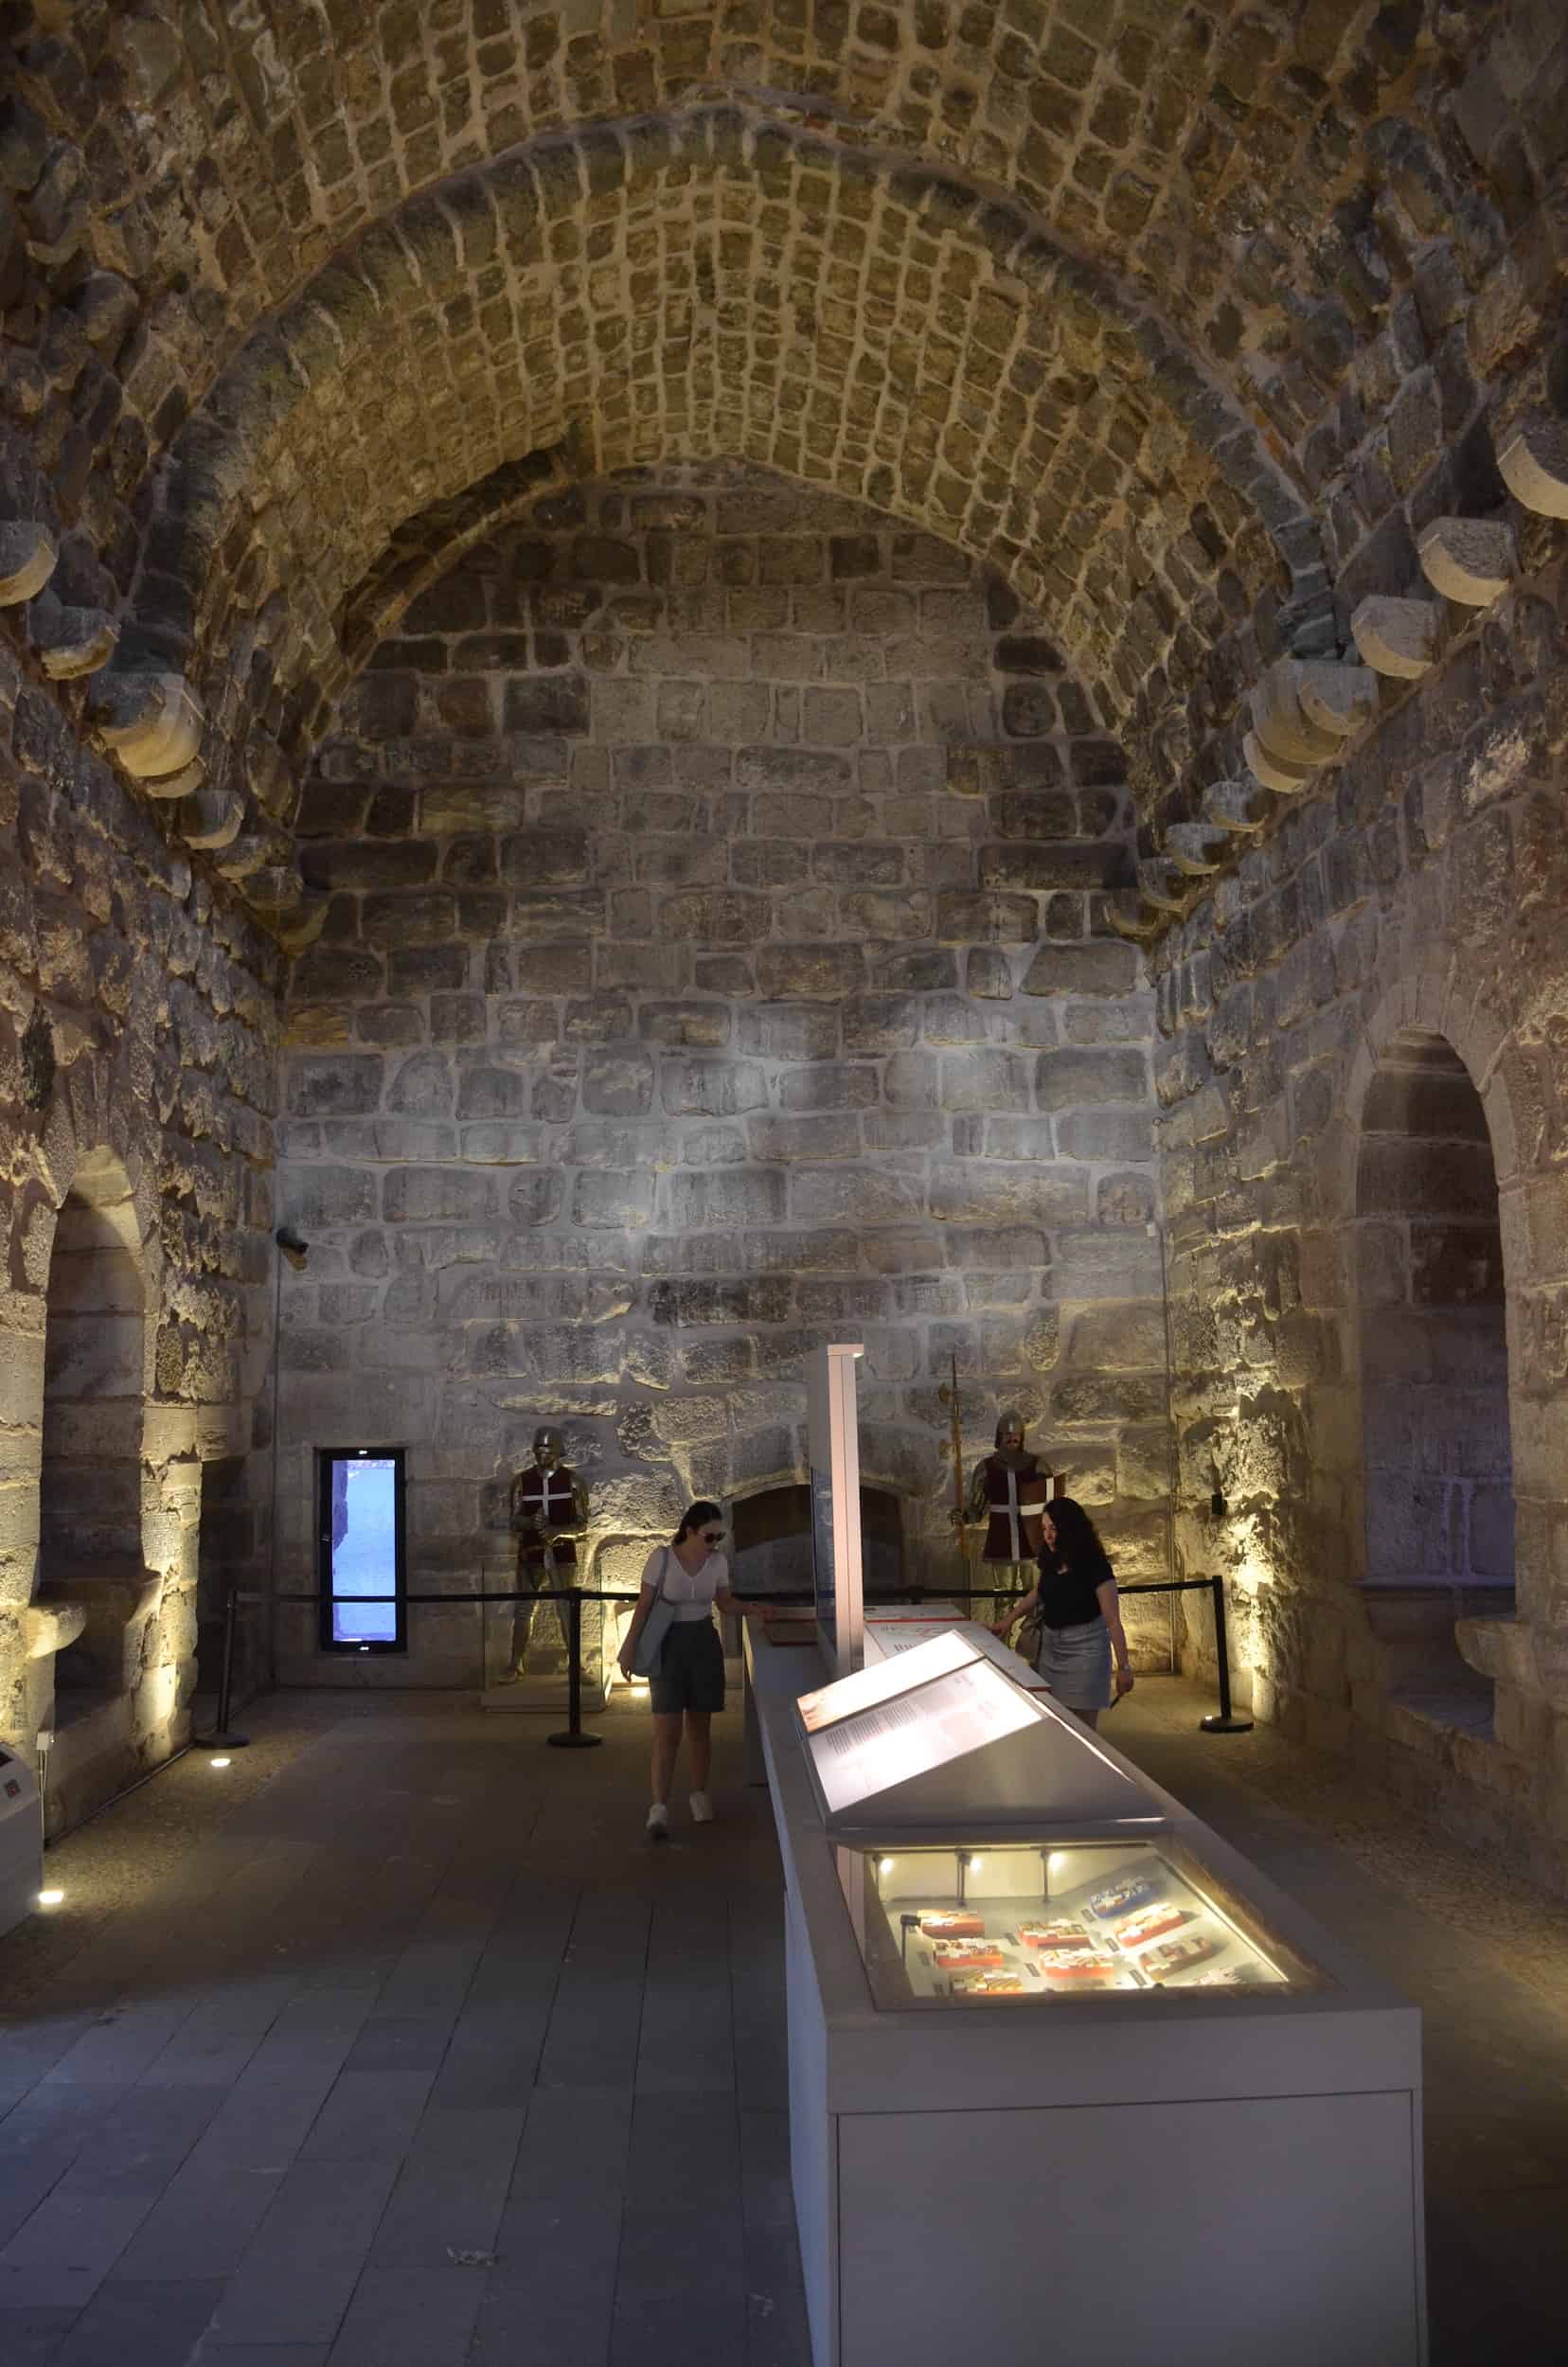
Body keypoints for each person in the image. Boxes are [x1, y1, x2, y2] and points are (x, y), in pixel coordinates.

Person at [618, 1500, 741, 1840]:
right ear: (690, 1531)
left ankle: (699, 1794)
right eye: (708, 1537)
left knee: (700, 1726)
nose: (714, 1544)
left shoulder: (717, 1563)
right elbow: (643, 1607)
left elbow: (725, 1603)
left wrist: (758, 1610)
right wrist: (629, 1648)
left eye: (718, 1538)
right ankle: (658, 1807)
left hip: (702, 1641)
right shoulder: (661, 1559)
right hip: (668, 1643)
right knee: (666, 1727)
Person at [990, 1496, 1134, 1732]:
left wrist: (1124, 1667)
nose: (1047, 1536)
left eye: (1053, 1528)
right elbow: (1038, 1592)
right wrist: (1009, 1619)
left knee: (1083, 1730)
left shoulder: (1095, 1565)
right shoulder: (1050, 1559)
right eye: (1044, 1528)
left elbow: (1112, 1620)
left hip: (1085, 1653)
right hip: (1051, 1651)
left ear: (1069, 1528)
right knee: (1055, 1723)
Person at [959, 1413, 1050, 1596]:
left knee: (1033, 1596)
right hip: (1001, 1536)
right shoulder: (986, 1468)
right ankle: (1003, 1626)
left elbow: (1051, 1504)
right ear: (999, 1436)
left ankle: (1032, 1626)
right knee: (1002, 1597)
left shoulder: (1038, 1466)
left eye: (1016, 1435)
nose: (1012, 1438)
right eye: (1007, 1435)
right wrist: (964, 1516)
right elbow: (977, 1509)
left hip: (1030, 1538)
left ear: (1022, 1437)